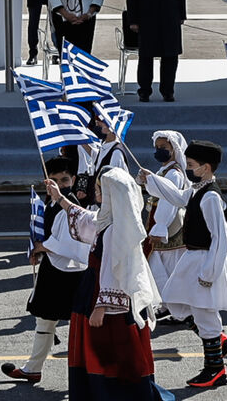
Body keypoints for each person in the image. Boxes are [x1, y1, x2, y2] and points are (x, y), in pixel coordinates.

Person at [53, 167, 161, 399]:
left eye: (100, 189)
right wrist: (60, 198)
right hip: (99, 291)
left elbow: (115, 270)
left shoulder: (114, 230)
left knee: (108, 351)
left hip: (105, 299)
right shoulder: (110, 220)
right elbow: (86, 219)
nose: (96, 191)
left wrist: (101, 308)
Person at [139, 141, 227, 388]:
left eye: (192, 165)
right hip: (194, 260)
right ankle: (218, 351)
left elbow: (220, 239)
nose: (188, 168)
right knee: (174, 300)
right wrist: (151, 180)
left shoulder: (211, 196)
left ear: (205, 167)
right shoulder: (197, 189)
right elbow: (179, 196)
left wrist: (209, 273)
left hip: (204, 261)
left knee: (205, 314)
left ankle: (215, 369)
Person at [1, 157, 89, 384]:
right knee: (45, 320)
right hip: (54, 269)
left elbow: (73, 243)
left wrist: (43, 246)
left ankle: (89, 370)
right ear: (47, 182)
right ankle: (33, 368)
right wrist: (37, 250)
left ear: (74, 179)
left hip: (70, 273)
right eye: (55, 180)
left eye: (66, 179)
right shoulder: (50, 203)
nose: (61, 185)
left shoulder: (70, 206)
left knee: (81, 324)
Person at [143, 130, 188, 322]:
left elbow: (168, 202)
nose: (159, 151)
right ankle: (166, 305)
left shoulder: (174, 174)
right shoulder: (165, 171)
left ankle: (180, 311)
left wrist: (160, 227)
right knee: (159, 266)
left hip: (169, 226)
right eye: (157, 148)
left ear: (174, 149)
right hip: (159, 222)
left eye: (164, 148)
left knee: (169, 268)